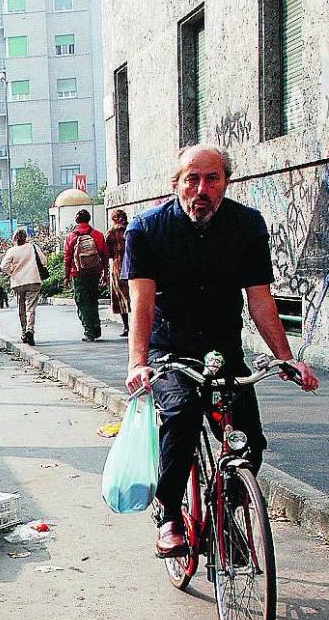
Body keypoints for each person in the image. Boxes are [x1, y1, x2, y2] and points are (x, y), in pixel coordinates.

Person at [123, 144, 318, 557]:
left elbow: (260, 300)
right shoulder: (147, 230)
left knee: (250, 442)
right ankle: (170, 512)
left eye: (212, 179)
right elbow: (142, 302)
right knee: (182, 416)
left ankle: (223, 512)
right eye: (191, 179)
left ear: (226, 182)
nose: (202, 188)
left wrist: (285, 357)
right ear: (176, 184)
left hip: (223, 347)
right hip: (170, 350)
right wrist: (138, 363)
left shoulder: (246, 225)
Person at [64, 208, 109, 341]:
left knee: (82, 301)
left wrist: (66, 276)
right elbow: (105, 255)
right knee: (93, 299)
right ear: (89, 219)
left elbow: (67, 258)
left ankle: (89, 330)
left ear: (76, 220)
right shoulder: (98, 235)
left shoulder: (71, 236)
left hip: (78, 273)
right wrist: (105, 274)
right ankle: (96, 327)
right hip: (95, 271)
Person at [0, 228, 44, 345]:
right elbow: (44, 261)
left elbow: (3, 266)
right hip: (33, 280)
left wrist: (12, 271)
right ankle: (30, 329)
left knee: (21, 308)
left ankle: (24, 332)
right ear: (26, 237)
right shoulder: (33, 247)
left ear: (15, 239)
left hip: (18, 282)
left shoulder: (12, 251)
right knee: (31, 308)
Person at [106, 208, 131, 336]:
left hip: (118, 266)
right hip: (134, 264)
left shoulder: (111, 233)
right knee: (134, 296)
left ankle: (127, 327)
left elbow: (108, 253)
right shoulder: (132, 229)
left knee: (121, 298)